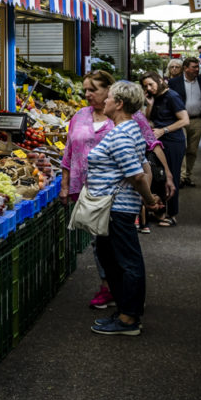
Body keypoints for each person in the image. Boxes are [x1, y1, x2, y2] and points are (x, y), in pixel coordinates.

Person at [61, 70, 170, 310]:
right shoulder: (85, 117)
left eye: (97, 91)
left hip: (116, 200)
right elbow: (69, 152)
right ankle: (119, 300)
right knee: (106, 250)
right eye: (86, 89)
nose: (89, 95)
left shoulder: (124, 129)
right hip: (98, 196)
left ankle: (126, 310)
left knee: (122, 256)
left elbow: (140, 166)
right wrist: (66, 184)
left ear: (116, 100)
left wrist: (151, 196)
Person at [85, 80, 161, 337]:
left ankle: (129, 318)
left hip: (117, 209)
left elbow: (137, 175)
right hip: (112, 209)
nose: (103, 101)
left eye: (108, 98)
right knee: (113, 260)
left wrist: (150, 201)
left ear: (118, 103)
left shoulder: (122, 134)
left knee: (126, 262)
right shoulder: (124, 131)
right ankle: (124, 312)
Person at [141, 72, 188, 227]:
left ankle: (172, 213)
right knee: (160, 176)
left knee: (171, 176)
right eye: (145, 86)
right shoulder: (155, 98)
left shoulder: (172, 96)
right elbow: (149, 120)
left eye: (151, 84)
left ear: (160, 81)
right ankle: (160, 210)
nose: (148, 88)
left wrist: (164, 130)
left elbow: (184, 120)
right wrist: (150, 104)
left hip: (173, 142)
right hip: (158, 142)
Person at [169, 58, 201, 186]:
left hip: (197, 120)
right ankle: (181, 176)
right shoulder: (174, 82)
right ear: (185, 68)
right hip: (180, 121)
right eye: (194, 67)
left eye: (197, 67)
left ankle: (187, 175)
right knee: (182, 148)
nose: (197, 69)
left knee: (192, 150)